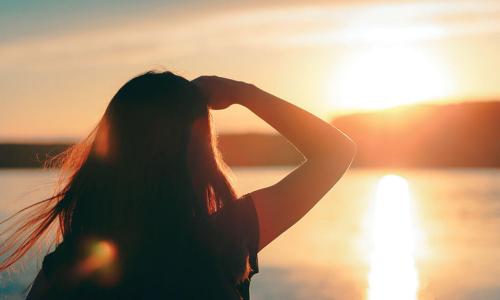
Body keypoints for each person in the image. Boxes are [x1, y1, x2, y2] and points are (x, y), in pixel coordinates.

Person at [0, 71, 356, 299]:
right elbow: (335, 152)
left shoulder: (67, 270)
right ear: (199, 154)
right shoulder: (226, 237)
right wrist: (244, 93)